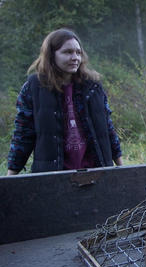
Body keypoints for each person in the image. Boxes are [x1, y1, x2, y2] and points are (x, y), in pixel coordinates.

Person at [7, 28, 123, 175]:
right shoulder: (34, 88)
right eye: (67, 52)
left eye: (78, 52)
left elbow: (108, 129)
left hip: (97, 173)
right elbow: (23, 135)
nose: (75, 57)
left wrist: (121, 169)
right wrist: (9, 179)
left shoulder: (93, 87)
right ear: (51, 55)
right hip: (54, 177)